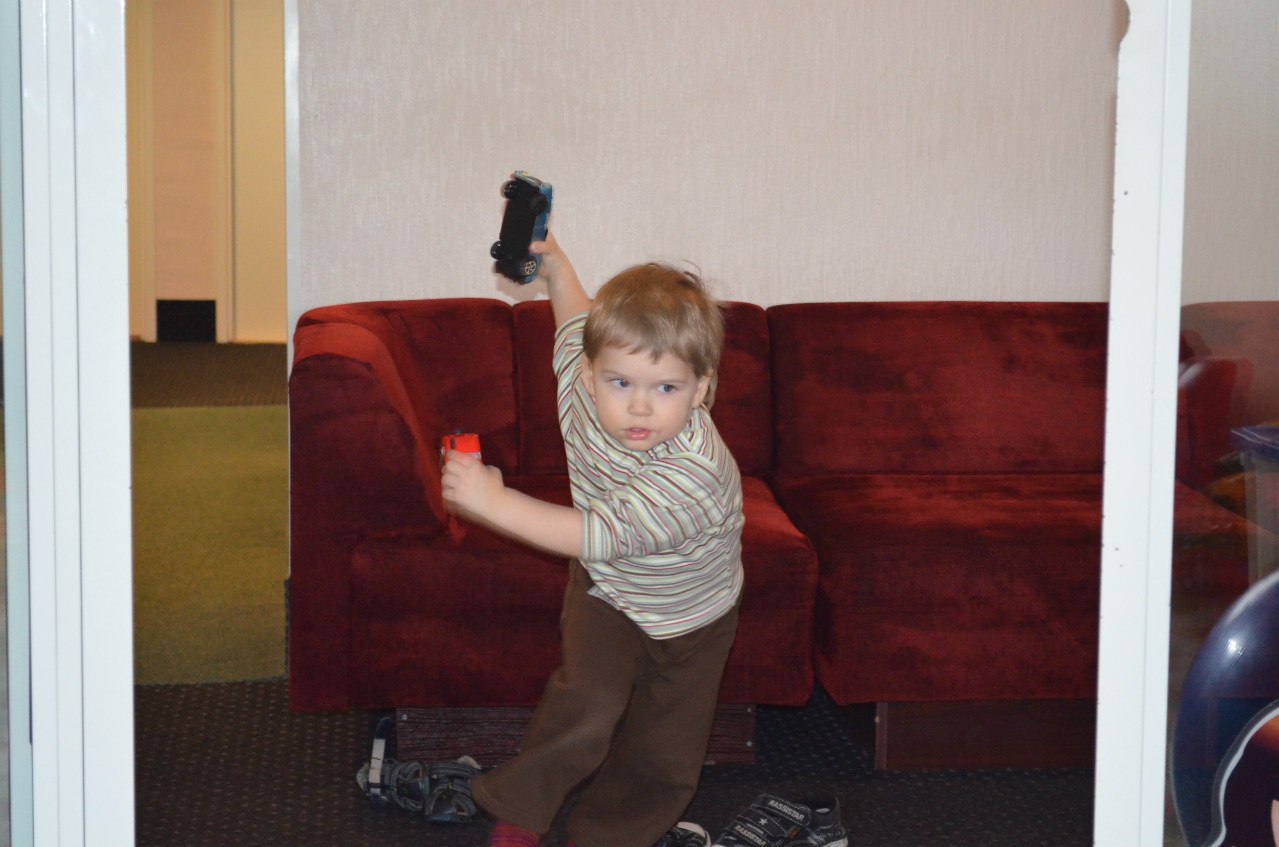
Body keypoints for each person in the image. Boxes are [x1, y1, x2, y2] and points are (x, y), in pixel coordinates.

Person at [441, 232, 744, 847]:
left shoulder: (695, 472)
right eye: (620, 382)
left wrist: (493, 503)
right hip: (607, 589)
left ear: (701, 389)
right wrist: (554, 266)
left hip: (692, 616)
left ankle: (608, 836)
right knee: (586, 704)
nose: (639, 408)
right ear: (588, 371)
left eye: (666, 388)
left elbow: (593, 532)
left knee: (665, 751)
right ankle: (520, 810)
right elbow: (574, 316)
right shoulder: (580, 385)